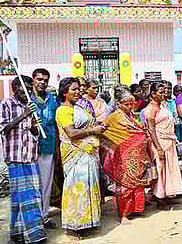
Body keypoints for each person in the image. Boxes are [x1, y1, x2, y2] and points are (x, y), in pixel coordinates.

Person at [56, 77, 106, 240]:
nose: (78, 92)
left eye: (79, 89)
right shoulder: (63, 111)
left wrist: (99, 127)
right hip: (74, 154)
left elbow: (87, 125)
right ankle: (72, 227)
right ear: (64, 92)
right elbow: (71, 133)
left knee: (88, 186)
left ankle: (87, 222)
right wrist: (94, 130)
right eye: (73, 89)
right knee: (74, 188)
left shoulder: (79, 108)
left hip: (88, 154)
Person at [0, 76, 47, 244]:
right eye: (23, 87)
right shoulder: (6, 104)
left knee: (30, 196)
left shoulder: (31, 106)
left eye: (29, 87)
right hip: (16, 159)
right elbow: (4, 129)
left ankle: (21, 233)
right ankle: (33, 236)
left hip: (31, 158)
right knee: (23, 197)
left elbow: (33, 134)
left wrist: (34, 125)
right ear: (14, 89)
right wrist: (24, 115)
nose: (27, 91)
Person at [102, 86, 151, 223]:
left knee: (137, 183)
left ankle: (136, 208)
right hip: (123, 156)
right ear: (118, 104)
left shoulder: (130, 115)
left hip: (137, 156)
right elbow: (105, 133)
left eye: (132, 103)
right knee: (125, 185)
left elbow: (137, 129)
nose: (130, 106)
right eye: (127, 104)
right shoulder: (114, 117)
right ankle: (123, 214)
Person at [144, 82, 182, 203]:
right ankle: (159, 196)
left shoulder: (163, 106)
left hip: (169, 141)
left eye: (164, 92)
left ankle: (168, 195)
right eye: (160, 92)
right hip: (159, 142)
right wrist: (158, 148)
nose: (163, 94)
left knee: (169, 168)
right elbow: (151, 129)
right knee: (160, 169)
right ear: (153, 94)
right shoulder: (150, 109)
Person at [30, 68, 58, 229]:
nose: (42, 82)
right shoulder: (26, 99)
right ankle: (32, 218)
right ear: (33, 80)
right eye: (39, 79)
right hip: (30, 149)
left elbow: (55, 124)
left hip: (48, 148)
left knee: (46, 184)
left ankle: (44, 216)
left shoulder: (52, 100)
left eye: (45, 80)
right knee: (32, 185)